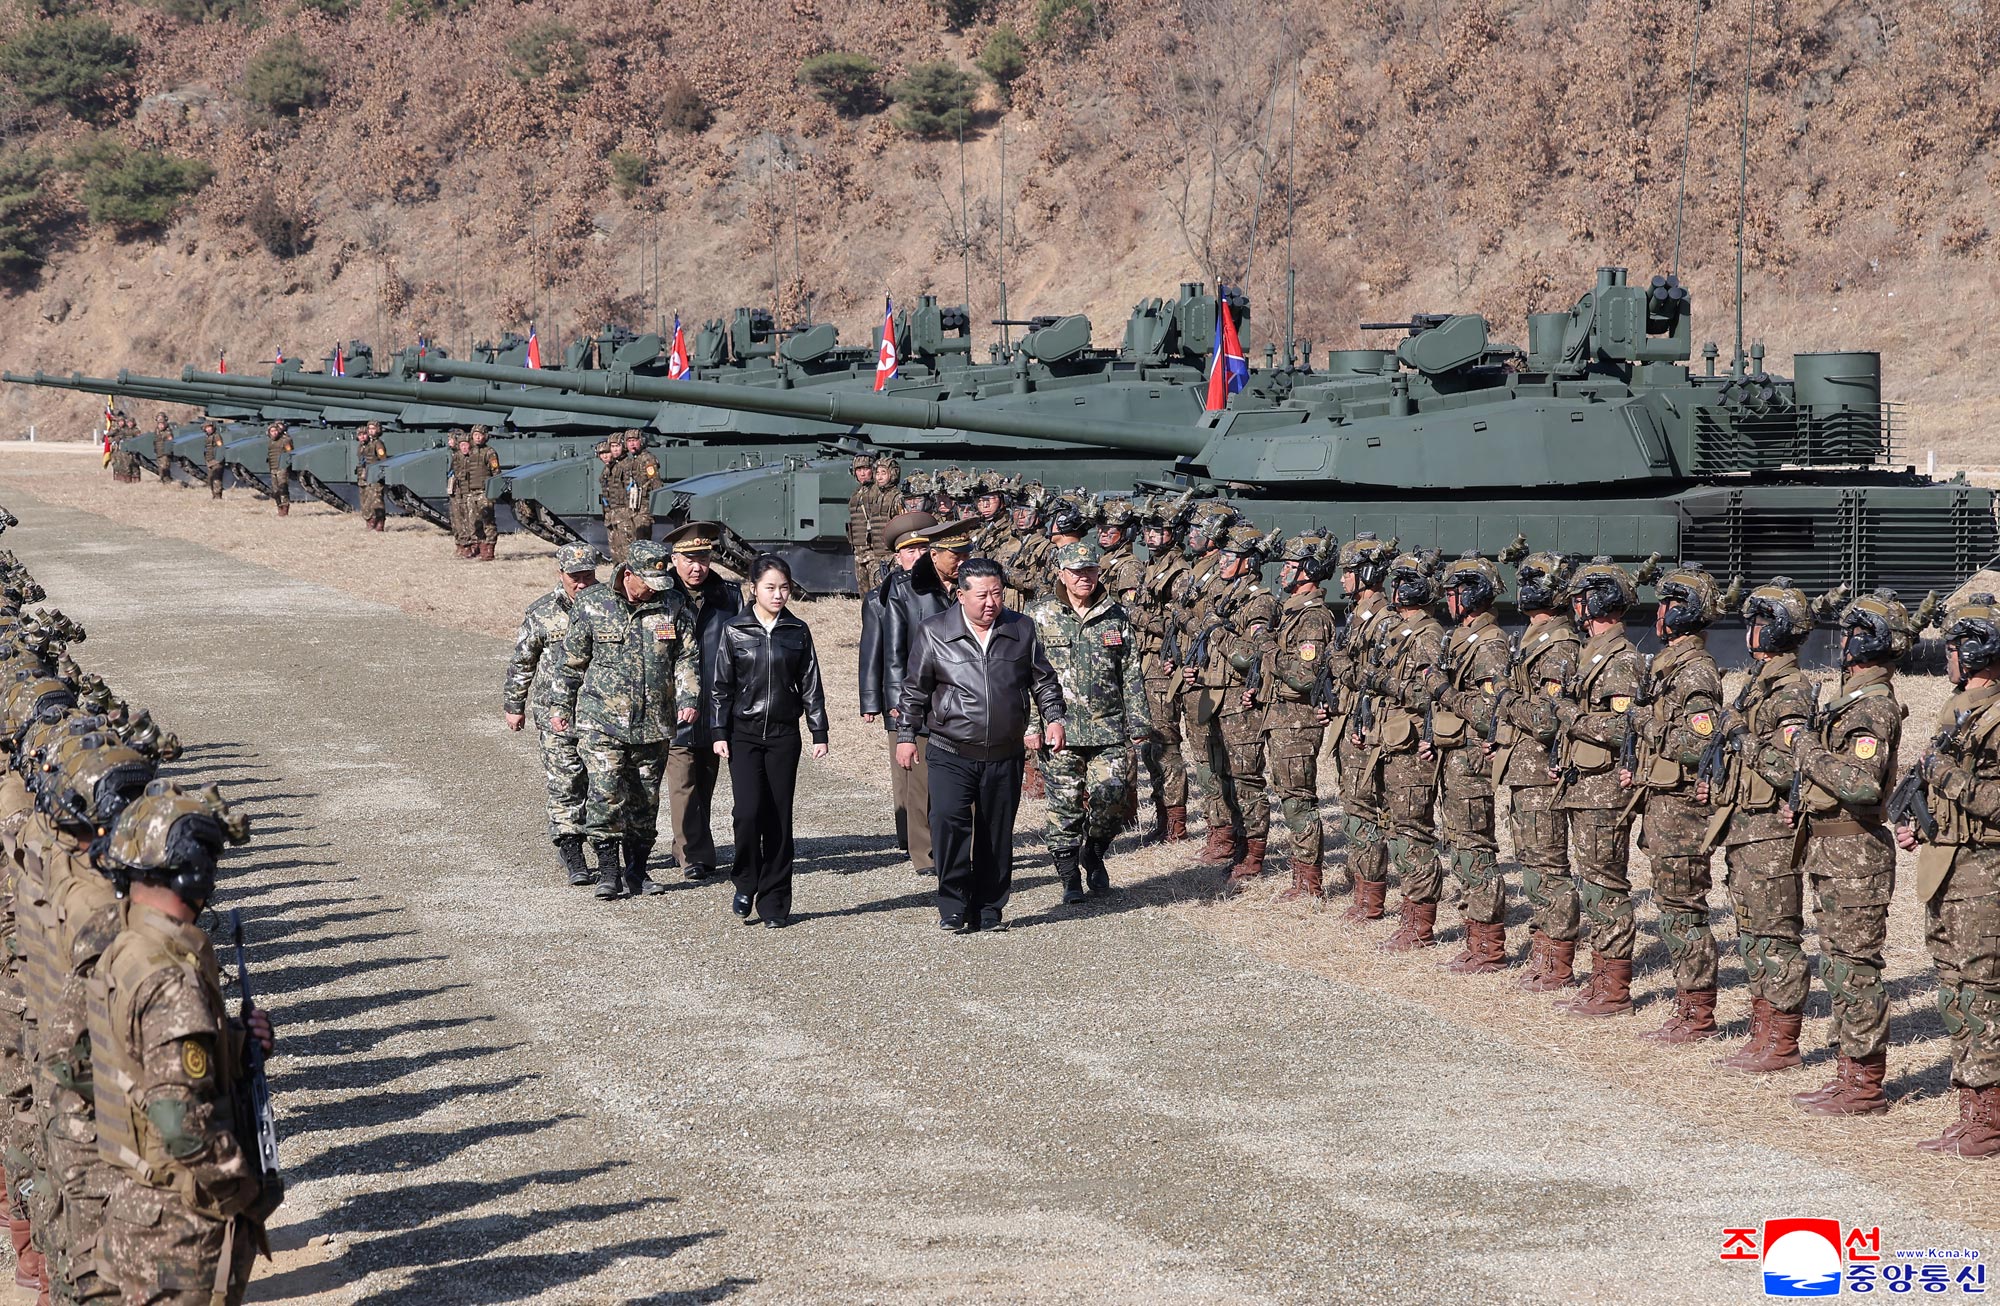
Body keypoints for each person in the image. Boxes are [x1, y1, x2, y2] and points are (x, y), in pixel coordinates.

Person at [87, 781, 275, 1306]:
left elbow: (133, 1060)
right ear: (193, 870)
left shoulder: (126, 945)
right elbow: (177, 1118)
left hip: (135, 1208)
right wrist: (245, 1190)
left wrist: (233, 1046)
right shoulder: (172, 977)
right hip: (181, 1234)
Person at [1787, 588, 1912, 1116]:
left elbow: (1861, 786)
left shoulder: (1873, 707)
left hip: (1856, 855)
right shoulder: (1852, 700)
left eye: (1858, 633)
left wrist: (1805, 747)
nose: (1846, 642)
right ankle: (1848, 1074)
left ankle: (1864, 1085)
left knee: (1856, 969)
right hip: (1834, 852)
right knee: (1839, 966)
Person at [897, 556, 1066, 932]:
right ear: (960, 596)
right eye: (982, 596)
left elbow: (1044, 681)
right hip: (949, 749)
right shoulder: (934, 631)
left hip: (1004, 753)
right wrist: (907, 736)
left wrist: (1053, 717)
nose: (991, 603)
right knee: (949, 826)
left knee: (996, 832)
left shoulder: (1021, 629)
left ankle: (989, 906)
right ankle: (954, 906)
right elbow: (913, 690)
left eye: (998, 594)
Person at [1897, 591, 2000, 1158]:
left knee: (1981, 991)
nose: (1948, 655)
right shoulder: (1963, 710)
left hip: (1985, 874)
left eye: (1958, 645)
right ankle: (1971, 1108)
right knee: (1957, 989)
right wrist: (1926, 823)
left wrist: (1948, 780)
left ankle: (1988, 1120)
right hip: (1952, 866)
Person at [1711, 577, 1822, 1071]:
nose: (1751, 630)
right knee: (1753, 929)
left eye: (1759, 622)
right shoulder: (1761, 682)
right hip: (1744, 824)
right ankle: (1763, 1029)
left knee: (1776, 934)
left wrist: (1741, 738)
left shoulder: (1790, 690)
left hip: (1770, 831)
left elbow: (1790, 765)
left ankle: (1782, 1042)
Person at [550, 540, 700, 900]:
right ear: (628, 574)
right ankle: (608, 870)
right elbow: (571, 663)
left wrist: (689, 696)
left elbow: (688, 657)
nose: (653, 590)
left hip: (654, 723)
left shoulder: (673, 604)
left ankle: (637, 870)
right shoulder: (592, 604)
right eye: (647, 582)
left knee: (644, 802)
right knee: (604, 794)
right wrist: (560, 705)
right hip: (602, 722)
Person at [1623, 565, 1728, 1041]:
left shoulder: (1695, 672)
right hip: (1662, 802)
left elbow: (1700, 745)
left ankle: (1698, 1013)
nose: (1659, 613)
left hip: (1683, 807)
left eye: (1667, 604)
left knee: (1684, 909)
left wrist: (1645, 722)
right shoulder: (1672, 665)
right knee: (1672, 906)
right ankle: (1689, 1007)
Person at [710, 556, 830, 927]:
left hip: (783, 735)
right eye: (770, 587)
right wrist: (718, 732)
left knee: (779, 817)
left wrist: (818, 731)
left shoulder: (797, 630)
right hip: (743, 735)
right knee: (747, 813)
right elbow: (720, 687)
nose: (779, 594)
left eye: (784, 587)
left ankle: (775, 900)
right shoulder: (734, 630)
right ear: (753, 588)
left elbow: (811, 683)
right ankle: (746, 880)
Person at [1027, 542, 1149, 903]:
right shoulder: (1040, 615)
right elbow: (1028, 676)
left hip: (1107, 728)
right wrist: (1033, 724)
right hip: (1058, 729)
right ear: (1061, 574)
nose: (1084, 577)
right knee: (1064, 808)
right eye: (1077, 572)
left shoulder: (1115, 615)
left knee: (1113, 797)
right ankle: (1068, 879)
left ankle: (1093, 854)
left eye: (1090, 571)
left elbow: (1129, 673)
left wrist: (1140, 723)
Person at [1552, 557, 1648, 1016]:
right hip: (1583, 784)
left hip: (1605, 789)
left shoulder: (1620, 659)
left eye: (1583, 596)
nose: (1575, 604)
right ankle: (1599, 980)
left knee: (1606, 886)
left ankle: (1613, 991)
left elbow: (1622, 728)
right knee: (1594, 884)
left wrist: (1571, 718)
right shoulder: (1592, 652)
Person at [1421, 552, 1514, 970]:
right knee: (1459, 846)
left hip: (1471, 758)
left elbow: (1487, 710)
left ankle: (1489, 947)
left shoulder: (1490, 643)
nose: (1449, 599)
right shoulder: (1462, 636)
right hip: (1451, 754)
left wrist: (1443, 693)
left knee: (1474, 848)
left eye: (1456, 592)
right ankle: (1476, 937)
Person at [1495, 551, 1583, 987]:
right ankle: (1544, 951)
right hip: (1521, 767)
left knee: (1548, 870)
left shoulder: (1559, 645)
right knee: (1532, 865)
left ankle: (1557, 962)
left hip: (1540, 769)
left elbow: (1548, 718)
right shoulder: (1534, 637)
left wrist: (1507, 701)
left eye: (1535, 580)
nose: (1525, 587)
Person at [1364, 551, 1448, 947]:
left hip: (1412, 746)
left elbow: (1430, 695)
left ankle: (1420, 925)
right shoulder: (1400, 631)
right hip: (1391, 740)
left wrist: (1385, 684)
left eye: (1403, 581)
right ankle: (1409, 915)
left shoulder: (1428, 634)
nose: (1396, 589)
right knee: (1398, 830)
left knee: (1414, 833)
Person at [505, 544, 601, 887]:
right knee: (566, 781)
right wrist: (514, 706)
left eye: (588, 575)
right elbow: (522, 662)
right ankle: (571, 847)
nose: (581, 583)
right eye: (575, 577)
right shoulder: (542, 613)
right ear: (561, 574)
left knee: (603, 780)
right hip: (554, 714)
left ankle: (607, 848)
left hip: (600, 712)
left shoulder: (608, 607)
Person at [1193, 526, 1280, 892]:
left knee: (1246, 780)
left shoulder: (1259, 602)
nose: (1223, 562)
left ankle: (1253, 854)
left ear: (1248, 563)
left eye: (1231, 558)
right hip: (1215, 693)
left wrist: (1216, 632)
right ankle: (1232, 843)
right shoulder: (1228, 595)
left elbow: (1248, 656)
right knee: (1221, 774)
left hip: (1238, 700)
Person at [1257, 532, 1339, 900]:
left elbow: (1304, 676)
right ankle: (1302, 876)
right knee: (1289, 795)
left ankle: (1309, 883)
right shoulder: (1293, 611)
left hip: (1297, 721)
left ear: (1308, 570)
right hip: (1281, 717)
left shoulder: (1312, 618)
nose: (1283, 572)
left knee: (1298, 799)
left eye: (1290, 566)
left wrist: (1268, 648)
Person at [861, 512, 943, 875]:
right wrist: (874, 702)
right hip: (902, 698)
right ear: (897, 556)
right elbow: (877, 653)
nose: (918, 556)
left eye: (924, 548)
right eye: (910, 551)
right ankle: (912, 839)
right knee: (906, 776)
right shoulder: (881, 596)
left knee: (923, 774)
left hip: (936, 697)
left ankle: (925, 837)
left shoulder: (936, 590)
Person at [664, 521, 745, 882]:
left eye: (703, 558)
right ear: (674, 558)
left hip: (716, 704)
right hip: (674, 704)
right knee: (683, 780)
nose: (696, 567)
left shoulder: (729, 596)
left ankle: (691, 845)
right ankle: (692, 854)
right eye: (688, 559)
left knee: (706, 780)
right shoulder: (661, 594)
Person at [1131, 497, 1192, 841]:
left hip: (1161, 665)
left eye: (1158, 530)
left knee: (1165, 745)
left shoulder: (1180, 573)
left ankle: (1174, 825)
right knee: (1152, 745)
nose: (1151, 536)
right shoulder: (1153, 567)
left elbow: (1178, 621)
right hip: (1146, 661)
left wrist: (1135, 615)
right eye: (1148, 530)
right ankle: (1162, 816)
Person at [620, 430, 662, 558]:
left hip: (644, 506)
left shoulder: (647, 459)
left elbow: (655, 482)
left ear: (641, 442)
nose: (632, 444)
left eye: (635, 441)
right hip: (633, 505)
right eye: (629, 441)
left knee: (642, 539)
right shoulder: (632, 460)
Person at [464, 426, 502, 561]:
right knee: (474, 523)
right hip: (471, 492)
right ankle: (480, 547)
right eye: (475, 435)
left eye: (480, 435)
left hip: (484, 492)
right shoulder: (469, 452)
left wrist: (493, 492)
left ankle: (489, 550)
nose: (478, 437)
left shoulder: (490, 452)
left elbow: (496, 472)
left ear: (485, 436)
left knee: (488, 522)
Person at [844, 454, 878, 593]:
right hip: (859, 551)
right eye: (858, 469)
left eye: (866, 468)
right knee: (864, 594)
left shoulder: (877, 492)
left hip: (874, 552)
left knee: (877, 592)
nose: (862, 473)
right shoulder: (856, 493)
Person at [597, 439, 628, 561]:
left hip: (622, 513)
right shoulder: (606, 470)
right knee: (615, 551)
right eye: (601, 453)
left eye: (607, 452)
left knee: (625, 549)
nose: (604, 456)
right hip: (610, 514)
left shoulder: (621, 467)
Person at [356, 421, 390, 530]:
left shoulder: (378, 444)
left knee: (376, 501)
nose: (371, 431)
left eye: (373, 428)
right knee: (365, 501)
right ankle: (370, 521)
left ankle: (378, 523)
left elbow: (382, 458)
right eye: (369, 428)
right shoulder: (364, 445)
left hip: (375, 476)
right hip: (365, 476)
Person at [265, 421, 293, 517]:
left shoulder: (285, 440)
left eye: (275, 431)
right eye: (272, 431)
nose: (274, 433)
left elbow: (290, 453)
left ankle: (285, 509)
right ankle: (279, 507)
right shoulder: (270, 442)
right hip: (273, 468)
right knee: (275, 490)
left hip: (282, 468)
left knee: (283, 488)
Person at [202, 422, 227, 500]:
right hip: (210, 461)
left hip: (216, 461)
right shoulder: (207, 437)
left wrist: (218, 460)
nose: (208, 429)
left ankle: (218, 496)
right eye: (207, 427)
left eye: (210, 427)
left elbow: (220, 447)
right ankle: (214, 495)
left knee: (216, 479)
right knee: (210, 479)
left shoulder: (216, 436)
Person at [151, 415, 174, 485]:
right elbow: (155, 442)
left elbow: (170, 442)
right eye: (159, 424)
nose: (161, 426)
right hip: (159, 452)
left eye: (162, 424)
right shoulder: (157, 432)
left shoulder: (168, 432)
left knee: (164, 467)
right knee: (160, 469)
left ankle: (168, 481)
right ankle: (163, 481)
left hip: (165, 453)